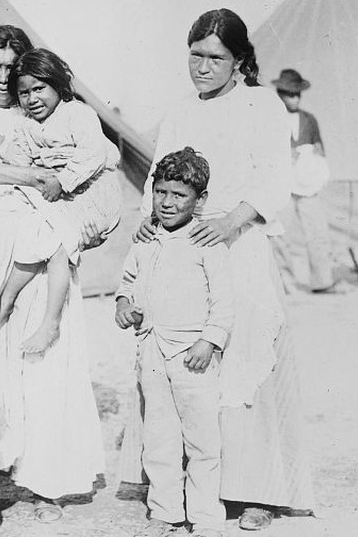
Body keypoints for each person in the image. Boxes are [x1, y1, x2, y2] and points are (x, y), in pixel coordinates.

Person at [133, 9, 314, 531]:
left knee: (243, 357)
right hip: (184, 249)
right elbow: (158, 175)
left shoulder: (261, 103)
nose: (203, 67)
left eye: (216, 58)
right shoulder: (181, 111)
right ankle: (191, 490)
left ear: (240, 61)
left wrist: (233, 221)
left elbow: (277, 174)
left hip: (239, 242)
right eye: (196, 55)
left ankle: (256, 491)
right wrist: (151, 218)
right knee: (184, 361)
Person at [0, 25, 104, 523]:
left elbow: (87, 159)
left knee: (41, 356)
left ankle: (43, 481)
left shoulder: (40, 109)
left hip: (38, 229)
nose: (6, 78)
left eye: (14, 69)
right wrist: (31, 174)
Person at [116, 148, 233, 537]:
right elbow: (128, 282)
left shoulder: (207, 242)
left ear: (200, 201)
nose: (167, 202)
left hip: (192, 356)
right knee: (159, 437)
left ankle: (205, 517)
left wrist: (209, 341)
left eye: (179, 195)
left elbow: (223, 300)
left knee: (202, 440)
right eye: (161, 192)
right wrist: (123, 305)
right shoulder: (146, 237)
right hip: (151, 349)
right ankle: (165, 512)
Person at [0, 48, 122, 354]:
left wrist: (63, 180)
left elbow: (93, 154)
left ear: (58, 84)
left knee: (56, 241)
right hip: (66, 194)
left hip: (94, 193)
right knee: (36, 229)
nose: (32, 99)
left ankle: (50, 322)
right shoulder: (28, 125)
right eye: (24, 93)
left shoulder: (77, 113)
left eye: (39, 88)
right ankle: (6, 299)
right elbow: (21, 159)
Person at [269, 69, 339, 294]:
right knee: (280, 234)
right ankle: (286, 282)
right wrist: (284, 152)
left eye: (297, 94)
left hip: (307, 183)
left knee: (317, 231)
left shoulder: (309, 119)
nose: (294, 99)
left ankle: (322, 280)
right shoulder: (272, 119)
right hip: (283, 185)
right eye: (290, 94)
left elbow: (319, 146)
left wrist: (315, 153)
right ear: (280, 94)